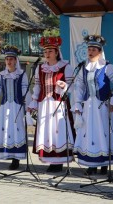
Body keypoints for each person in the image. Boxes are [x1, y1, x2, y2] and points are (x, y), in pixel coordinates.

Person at [72, 34, 113, 175]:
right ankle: (91, 164)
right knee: (90, 134)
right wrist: (78, 104)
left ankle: (104, 164)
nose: (91, 52)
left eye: (94, 49)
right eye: (89, 49)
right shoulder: (83, 67)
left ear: (100, 52)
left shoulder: (107, 66)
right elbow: (80, 87)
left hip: (103, 107)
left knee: (103, 133)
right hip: (88, 106)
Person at [28, 36, 75, 173]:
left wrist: (64, 85)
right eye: (45, 52)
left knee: (58, 132)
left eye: (50, 51)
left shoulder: (65, 67)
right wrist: (34, 101)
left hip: (58, 104)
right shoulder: (40, 68)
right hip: (44, 104)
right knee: (47, 132)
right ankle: (50, 160)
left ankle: (59, 161)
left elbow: (73, 87)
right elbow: (37, 86)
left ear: (56, 52)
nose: (47, 54)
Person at [0, 45, 29, 170]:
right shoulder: (2, 75)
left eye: (11, 59)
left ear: (16, 60)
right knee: (6, 131)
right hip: (5, 107)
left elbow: (26, 91)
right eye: (7, 59)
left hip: (17, 107)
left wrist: (29, 106)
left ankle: (16, 159)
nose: (9, 61)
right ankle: (8, 156)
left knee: (17, 130)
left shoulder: (22, 74)